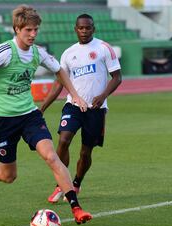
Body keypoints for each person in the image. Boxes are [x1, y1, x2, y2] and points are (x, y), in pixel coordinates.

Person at [0, 5, 92, 224]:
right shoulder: (3, 51)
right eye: (28, 30)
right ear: (17, 29)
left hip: (28, 114)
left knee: (51, 156)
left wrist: (76, 95)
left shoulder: (38, 52)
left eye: (36, 30)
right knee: (9, 176)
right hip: (2, 118)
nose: (33, 34)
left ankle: (76, 208)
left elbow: (59, 70)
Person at [40, 14, 122, 203]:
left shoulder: (104, 48)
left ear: (93, 29)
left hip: (96, 109)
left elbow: (117, 77)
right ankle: (62, 184)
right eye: (81, 28)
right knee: (63, 139)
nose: (84, 31)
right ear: (75, 29)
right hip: (74, 105)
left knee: (86, 152)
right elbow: (59, 83)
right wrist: (43, 107)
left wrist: (102, 97)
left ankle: (76, 182)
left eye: (88, 28)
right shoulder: (68, 53)